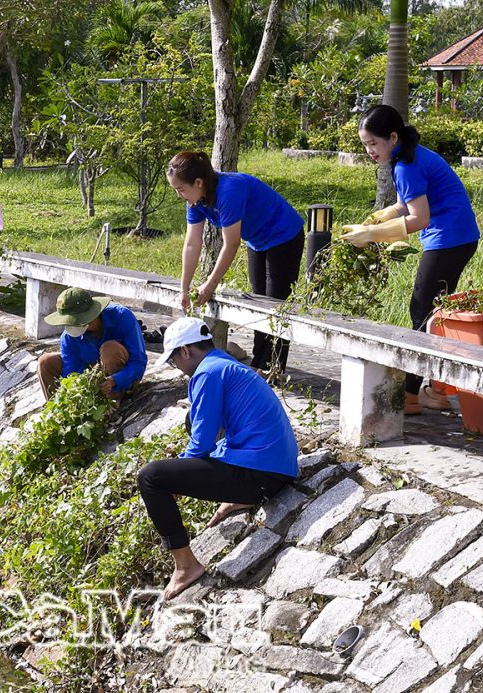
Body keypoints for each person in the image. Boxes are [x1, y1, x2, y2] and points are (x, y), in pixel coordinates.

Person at [138, 317, 298, 600]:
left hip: (259, 476)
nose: (177, 369)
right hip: (278, 472)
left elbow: (201, 444)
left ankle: (185, 566)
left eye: (174, 361)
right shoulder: (226, 364)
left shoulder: (207, 374)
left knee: (151, 477)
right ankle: (241, 496)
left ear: (186, 351)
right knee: (192, 419)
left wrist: (180, 473)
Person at [341, 104, 480, 415]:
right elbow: (406, 204)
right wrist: (376, 219)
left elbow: (419, 218)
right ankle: (434, 390)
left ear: (392, 137)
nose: (369, 151)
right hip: (455, 236)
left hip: (451, 238)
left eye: (373, 143)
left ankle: (412, 394)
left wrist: (371, 235)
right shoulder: (404, 155)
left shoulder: (407, 164)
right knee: (434, 313)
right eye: (365, 144)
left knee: (422, 310)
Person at [167, 151, 305, 379]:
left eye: (180, 189)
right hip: (258, 241)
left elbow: (231, 244)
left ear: (198, 182)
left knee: (275, 304)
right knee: (259, 299)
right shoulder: (196, 200)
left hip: (284, 235)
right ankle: (260, 365)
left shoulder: (229, 190)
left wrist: (209, 285)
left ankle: (271, 370)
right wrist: (184, 288)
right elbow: (192, 243)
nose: (179, 195)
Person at [37, 287, 147, 401]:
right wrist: (76, 394)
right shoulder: (68, 337)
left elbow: (138, 361)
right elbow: (71, 373)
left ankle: (113, 402)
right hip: (91, 375)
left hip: (120, 375)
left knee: (109, 349)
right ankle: (57, 410)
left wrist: (115, 380)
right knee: (45, 362)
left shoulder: (121, 317)